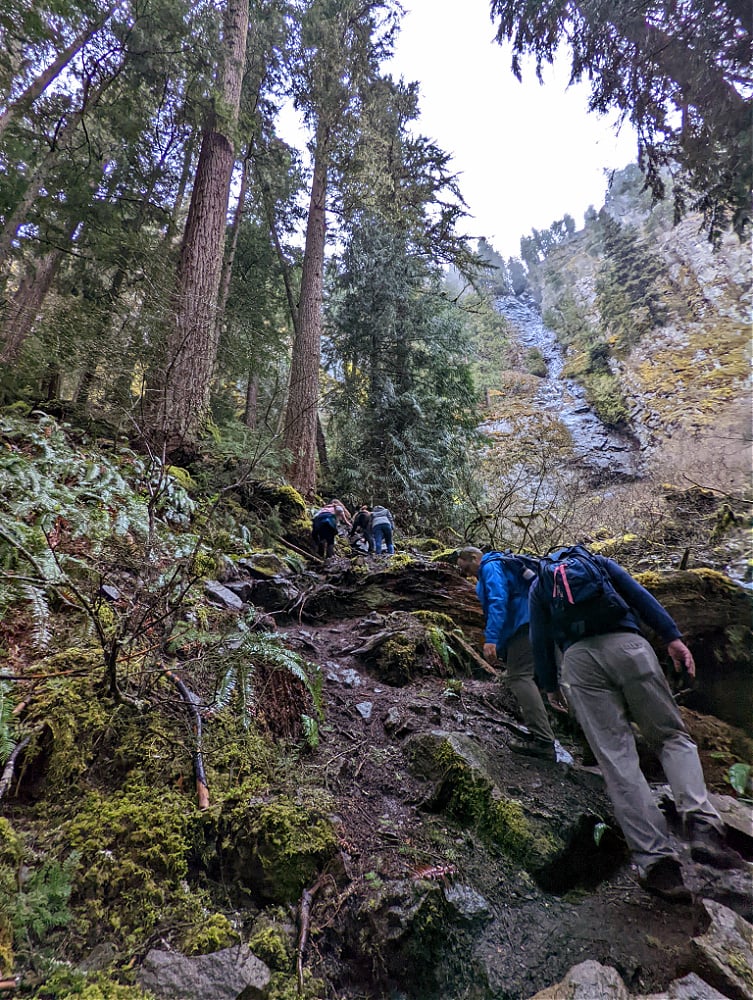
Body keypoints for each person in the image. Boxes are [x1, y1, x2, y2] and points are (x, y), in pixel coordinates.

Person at [529, 549, 744, 903]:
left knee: (617, 761)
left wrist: (550, 686)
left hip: (579, 663)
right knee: (672, 737)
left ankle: (659, 865)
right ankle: (702, 826)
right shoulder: (596, 562)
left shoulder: (541, 583)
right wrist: (672, 637)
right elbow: (639, 595)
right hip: (630, 647)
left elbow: (539, 637)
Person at [457, 547, 562, 761]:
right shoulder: (505, 565)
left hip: (525, 625)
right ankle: (590, 742)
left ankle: (543, 740)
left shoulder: (490, 566)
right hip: (546, 621)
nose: (467, 574)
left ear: (475, 558)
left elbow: (498, 599)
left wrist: (492, 638)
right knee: (557, 679)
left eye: (466, 568)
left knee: (519, 676)